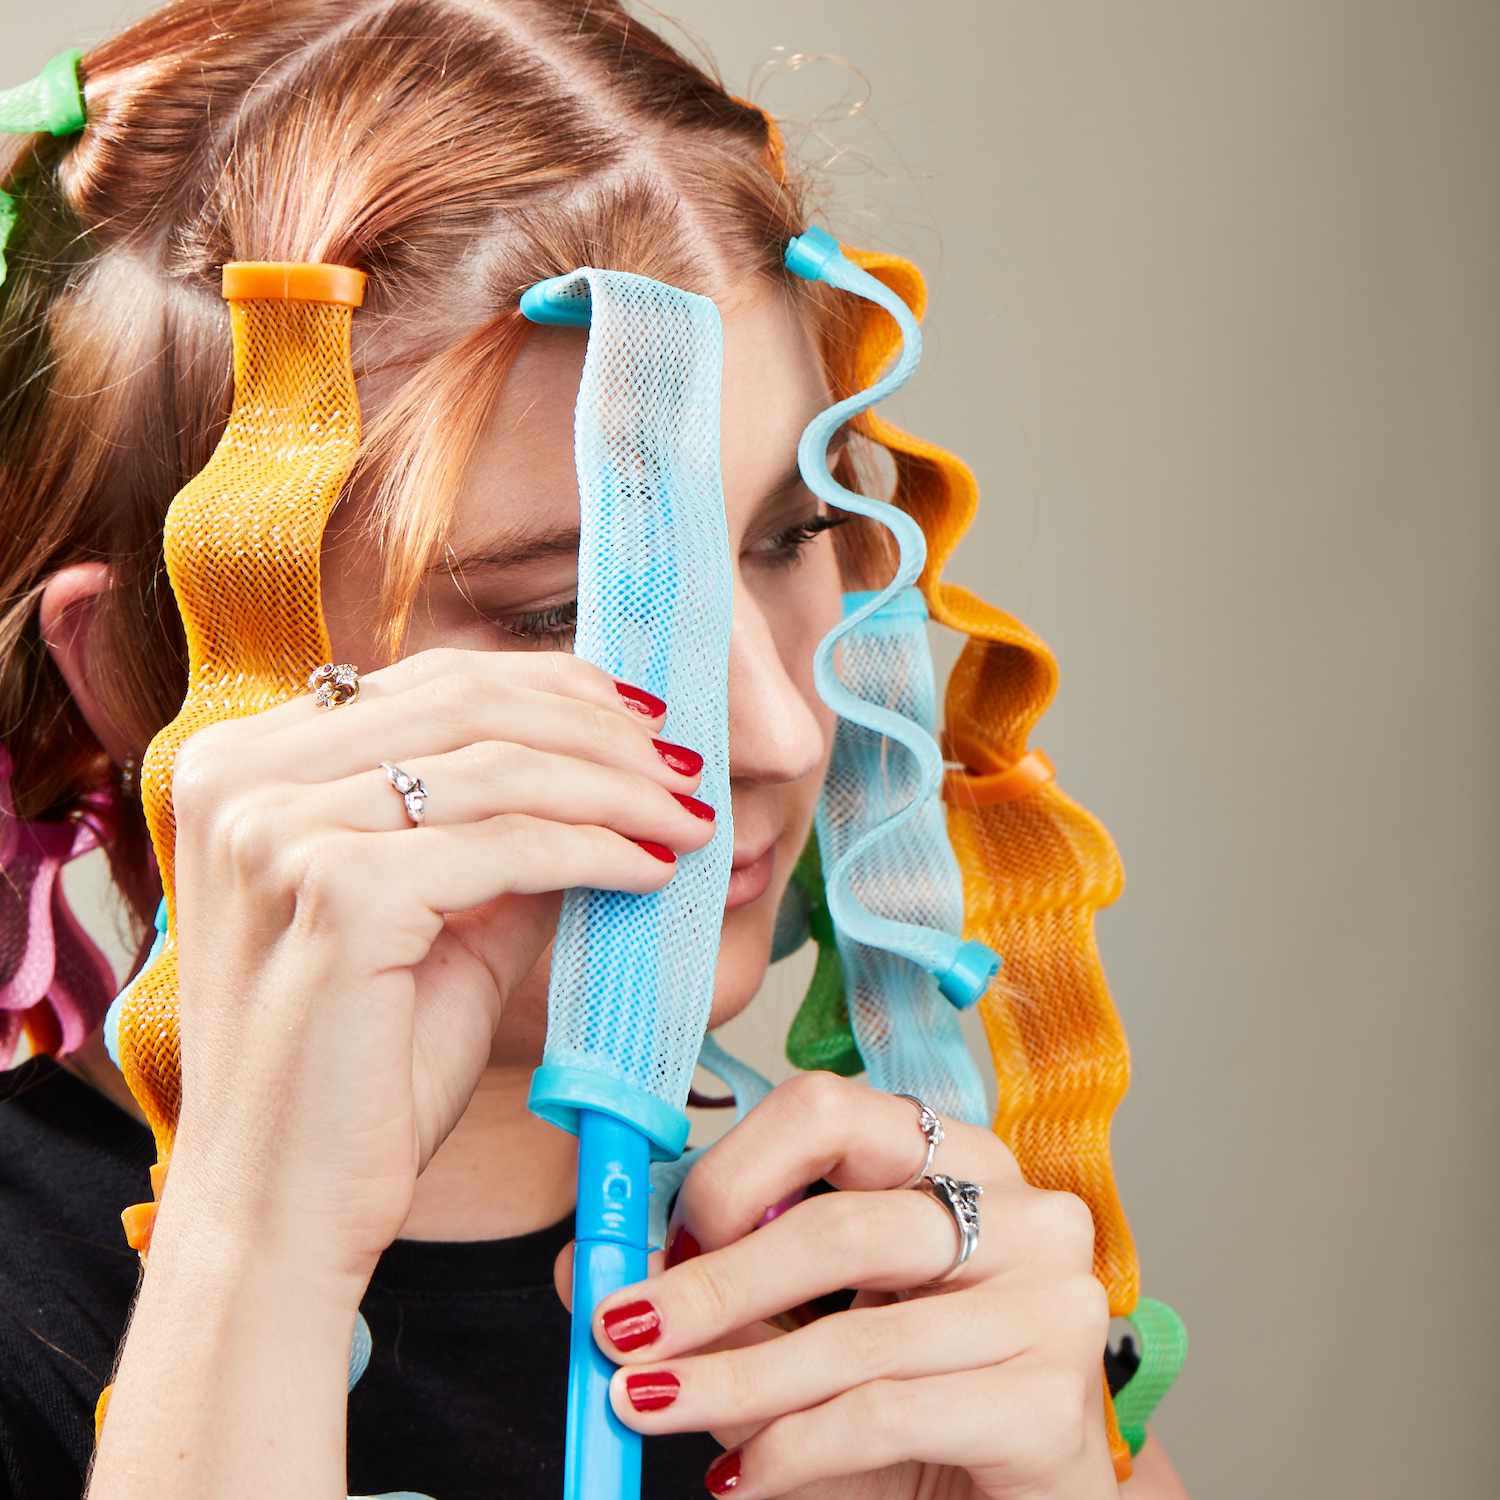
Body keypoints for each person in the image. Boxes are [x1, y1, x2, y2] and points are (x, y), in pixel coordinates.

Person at [0, 2, 1190, 1497]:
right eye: (569, 610)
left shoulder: (897, 1289)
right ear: (130, 677)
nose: (777, 730)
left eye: (792, 535)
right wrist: (253, 1266)